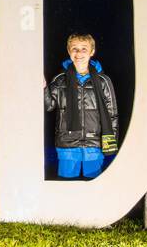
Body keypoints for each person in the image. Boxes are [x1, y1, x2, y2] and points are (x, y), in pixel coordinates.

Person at [45, 34, 119, 179]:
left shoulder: (103, 81)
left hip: (94, 146)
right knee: (67, 191)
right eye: (75, 49)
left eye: (84, 49)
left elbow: (112, 114)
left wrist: (110, 144)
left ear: (92, 52)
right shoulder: (60, 80)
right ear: (68, 51)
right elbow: (49, 106)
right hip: (67, 146)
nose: (79, 53)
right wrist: (42, 88)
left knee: (93, 191)